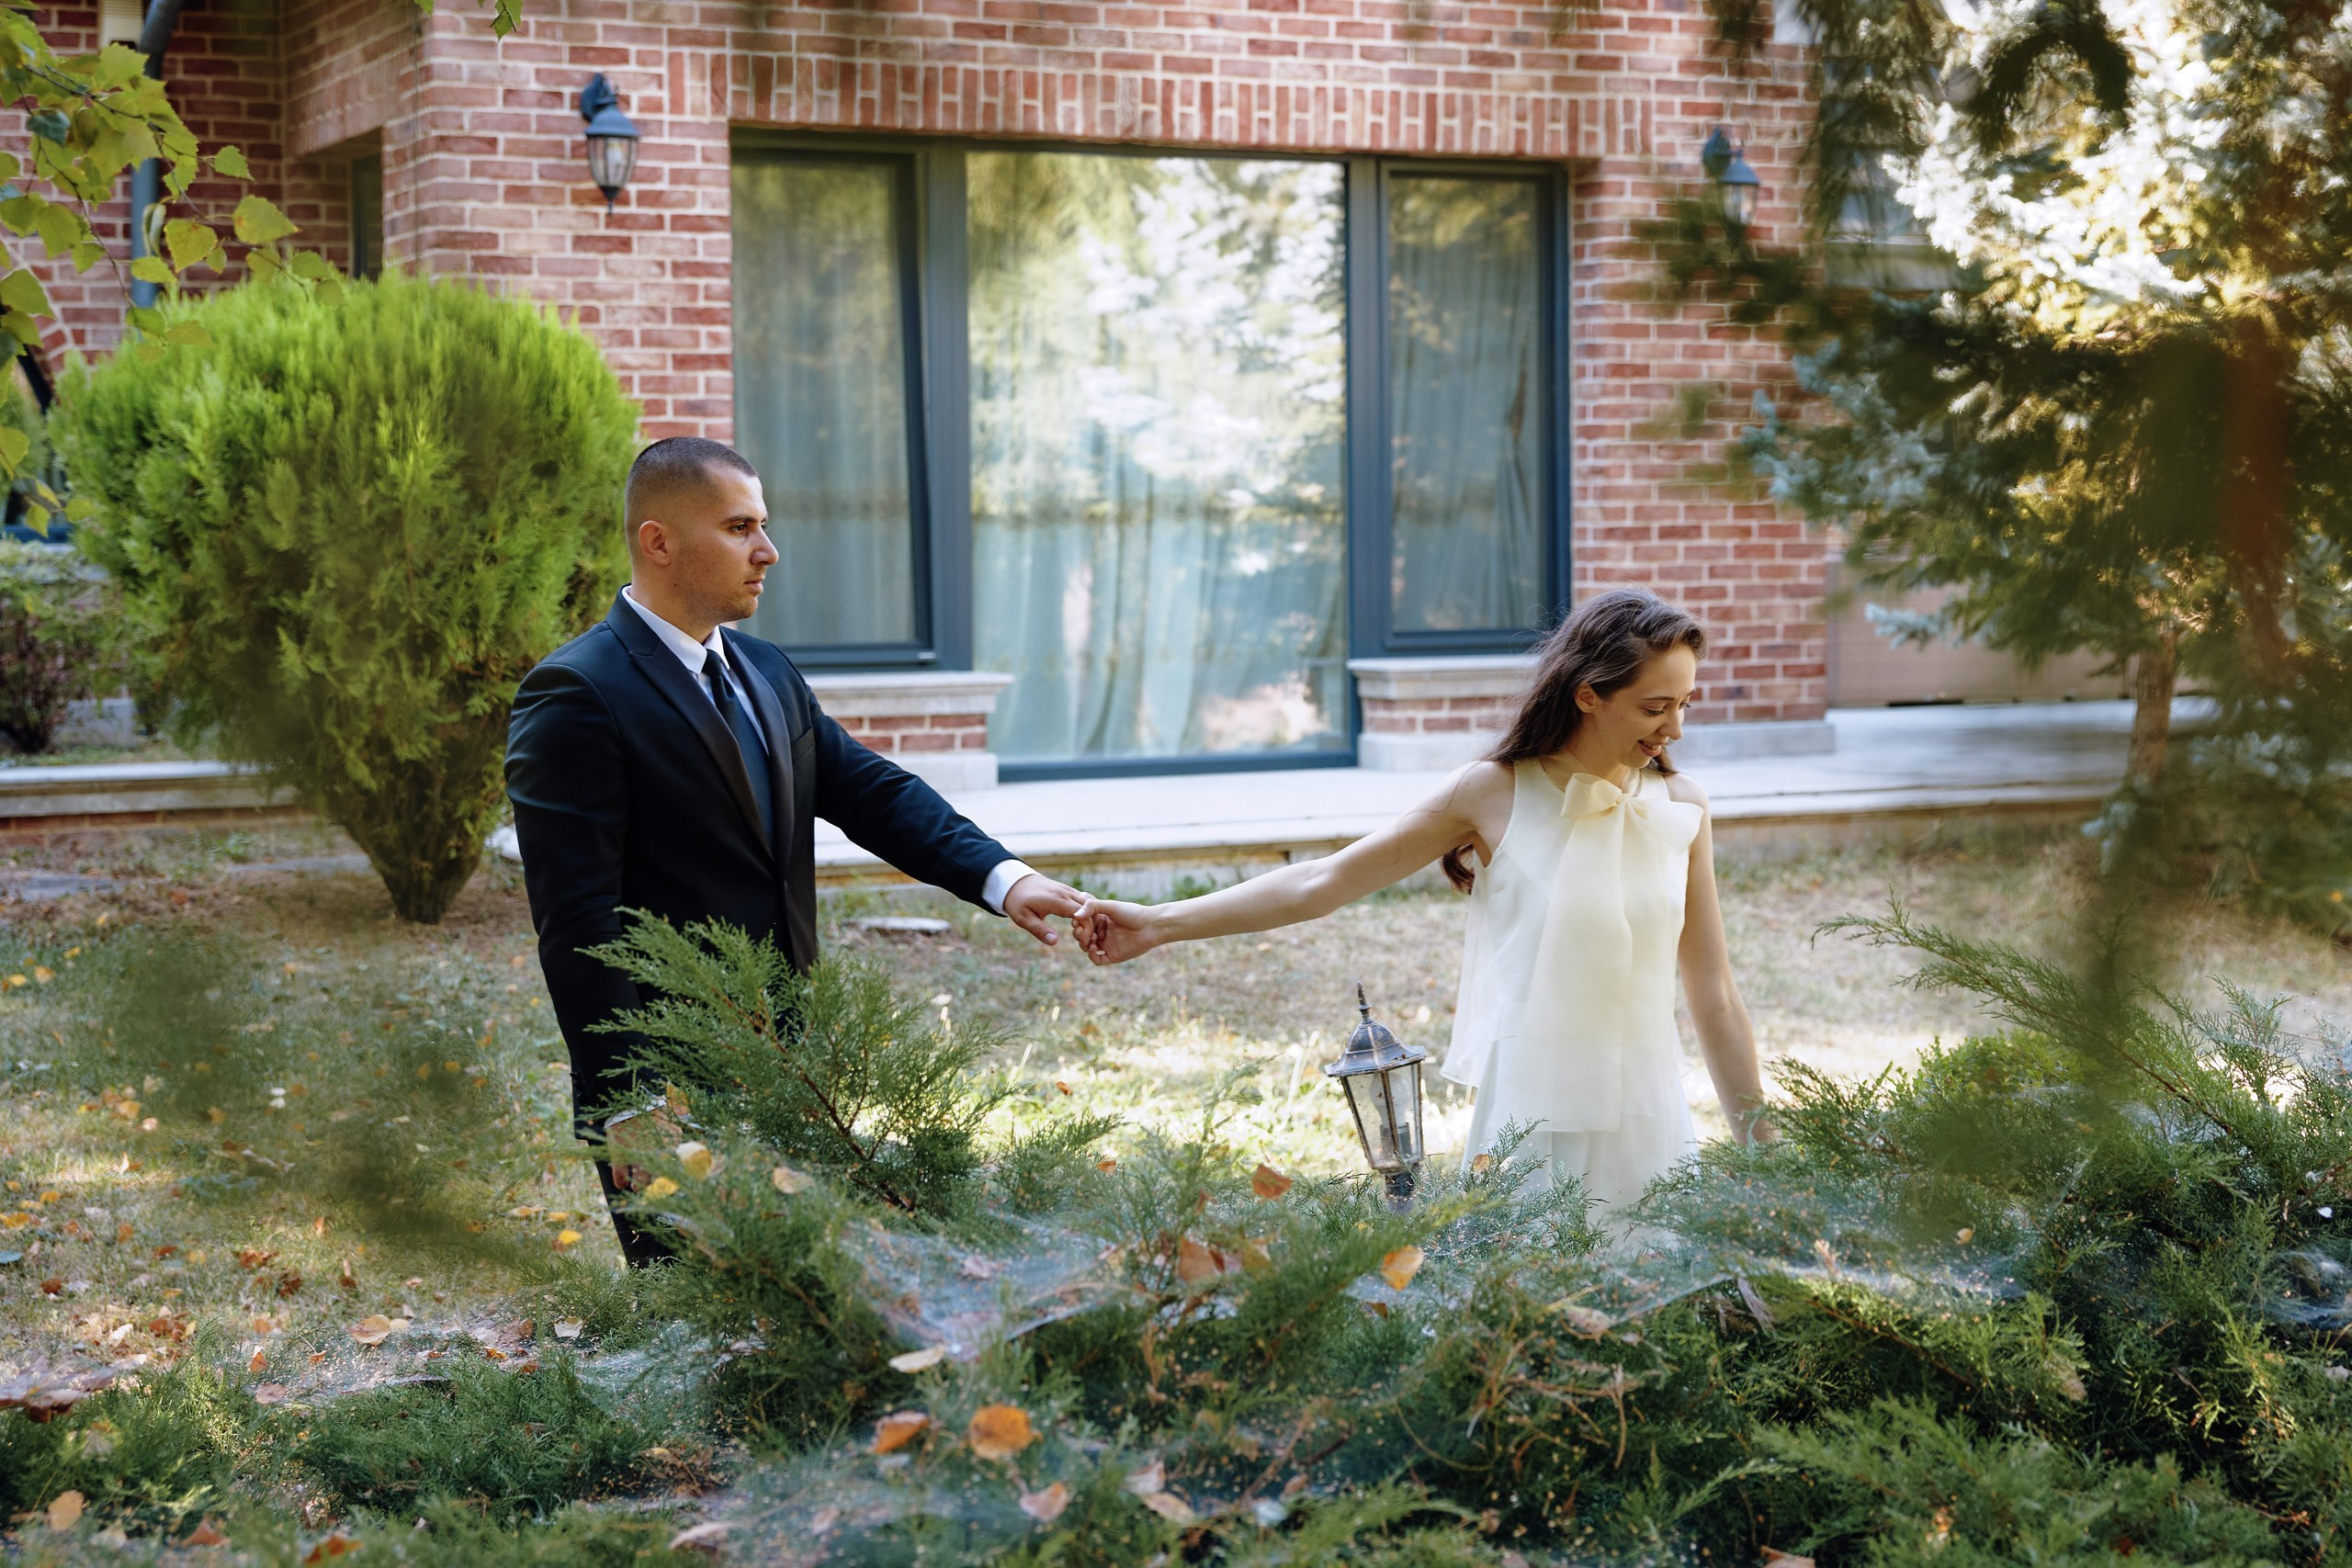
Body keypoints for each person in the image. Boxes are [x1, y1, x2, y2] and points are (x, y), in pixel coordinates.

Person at [506, 436, 1087, 1262]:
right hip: (672, 1081)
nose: (768, 551)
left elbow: (870, 792)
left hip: (793, 1063)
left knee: (807, 1310)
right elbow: (581, 924)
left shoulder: (765, 670)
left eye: (764, 525)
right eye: (740, 527)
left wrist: (1002, 877)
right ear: (659, 541)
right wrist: (632, 1101)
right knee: (703, 1321)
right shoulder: (577, 693)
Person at [1073, 588, 1772, 1213]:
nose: (1675, 728)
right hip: (1532, 1120)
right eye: (1656, 707)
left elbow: (1714, 994)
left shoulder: (1683, 806)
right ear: (1588, 693)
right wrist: (1158, 924)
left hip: (1650, 1116)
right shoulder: (1493, 792)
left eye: (1685, 703)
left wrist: (1768, 1158)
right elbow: (1323, 882)